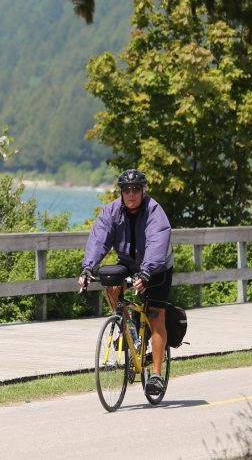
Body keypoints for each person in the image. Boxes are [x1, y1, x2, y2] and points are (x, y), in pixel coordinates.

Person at [78, 168, 175, 395]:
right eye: (126, 190)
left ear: (143, 191)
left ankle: (157, 376)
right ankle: (128, 329)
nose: (131, 194)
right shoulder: (111, 211)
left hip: (158, 266)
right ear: (121, 192)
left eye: (135, 189)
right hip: (129, 262)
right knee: (110, 281)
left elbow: (157, 242)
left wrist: (146, 274)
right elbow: (98, 240)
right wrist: (87, 269)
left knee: (156, 314)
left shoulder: (154, 211)